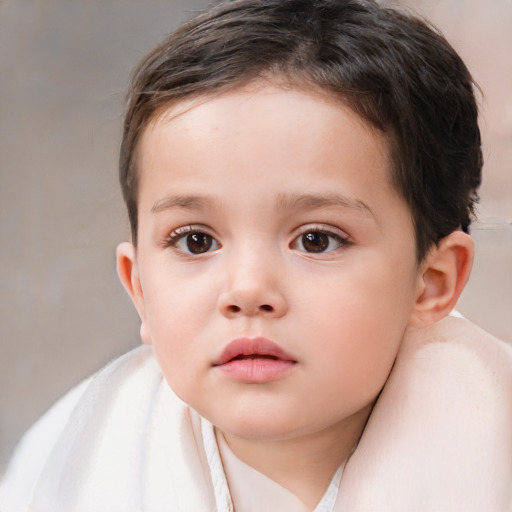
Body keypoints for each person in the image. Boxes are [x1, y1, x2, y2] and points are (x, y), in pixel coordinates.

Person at [1, 0, 511, 510]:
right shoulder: (80, 456)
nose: (247, 290)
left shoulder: (484, 454)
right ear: (139, 289)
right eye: (195, 240)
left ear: (433, 281)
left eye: (317, 239)